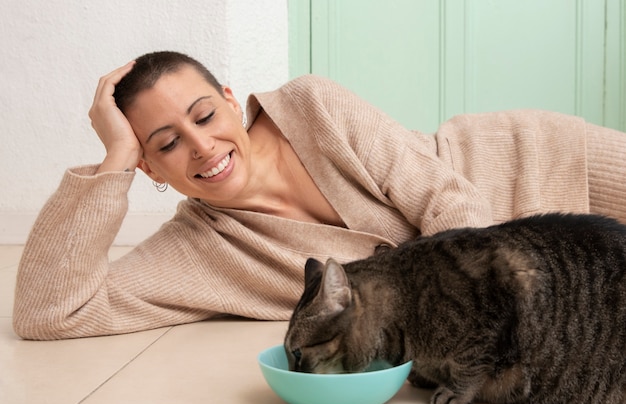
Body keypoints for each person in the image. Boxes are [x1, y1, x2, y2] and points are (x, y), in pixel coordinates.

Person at [13, 51, 626, 340]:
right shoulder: (199, 253)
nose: (201, 147)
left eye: (204, 115)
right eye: (166, 143)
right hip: (549, 270)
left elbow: (446, 198)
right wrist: (113, 159)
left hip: (534, 163)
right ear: (149, 166)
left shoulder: (311, 104)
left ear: (230, 98)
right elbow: (49, 313)